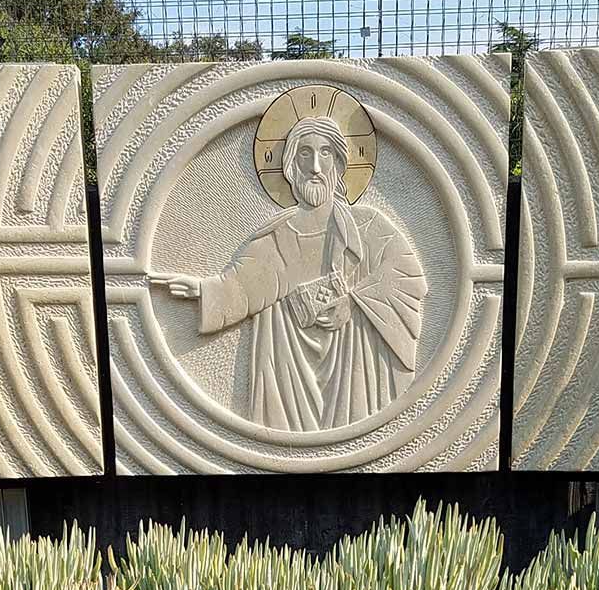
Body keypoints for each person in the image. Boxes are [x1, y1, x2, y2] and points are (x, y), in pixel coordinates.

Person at [151, 115, 427, 431]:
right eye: (305, 153)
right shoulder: (276, 235)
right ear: (291, 165)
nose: (315, 167)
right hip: (286, 372)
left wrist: (354, 303)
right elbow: (242, 287)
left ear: (339, 164)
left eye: (325, 154)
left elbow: (406, 276)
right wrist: (203, 290)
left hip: (352, 367)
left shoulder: (368, 227)